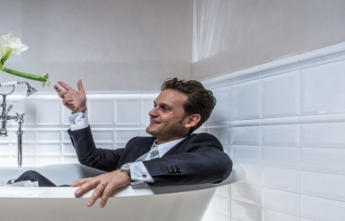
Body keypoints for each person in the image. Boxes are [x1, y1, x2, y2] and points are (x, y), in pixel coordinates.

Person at [46, 77, 232, 207]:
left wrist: (129, 172)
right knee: (31, 177)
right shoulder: (139, 145)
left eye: (164, 108)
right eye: (155, 105)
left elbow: (220, 165)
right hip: (98, 208)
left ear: (191, 120)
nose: (152, 112)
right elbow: (90, 157)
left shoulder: (198, 145)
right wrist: (79, 111)